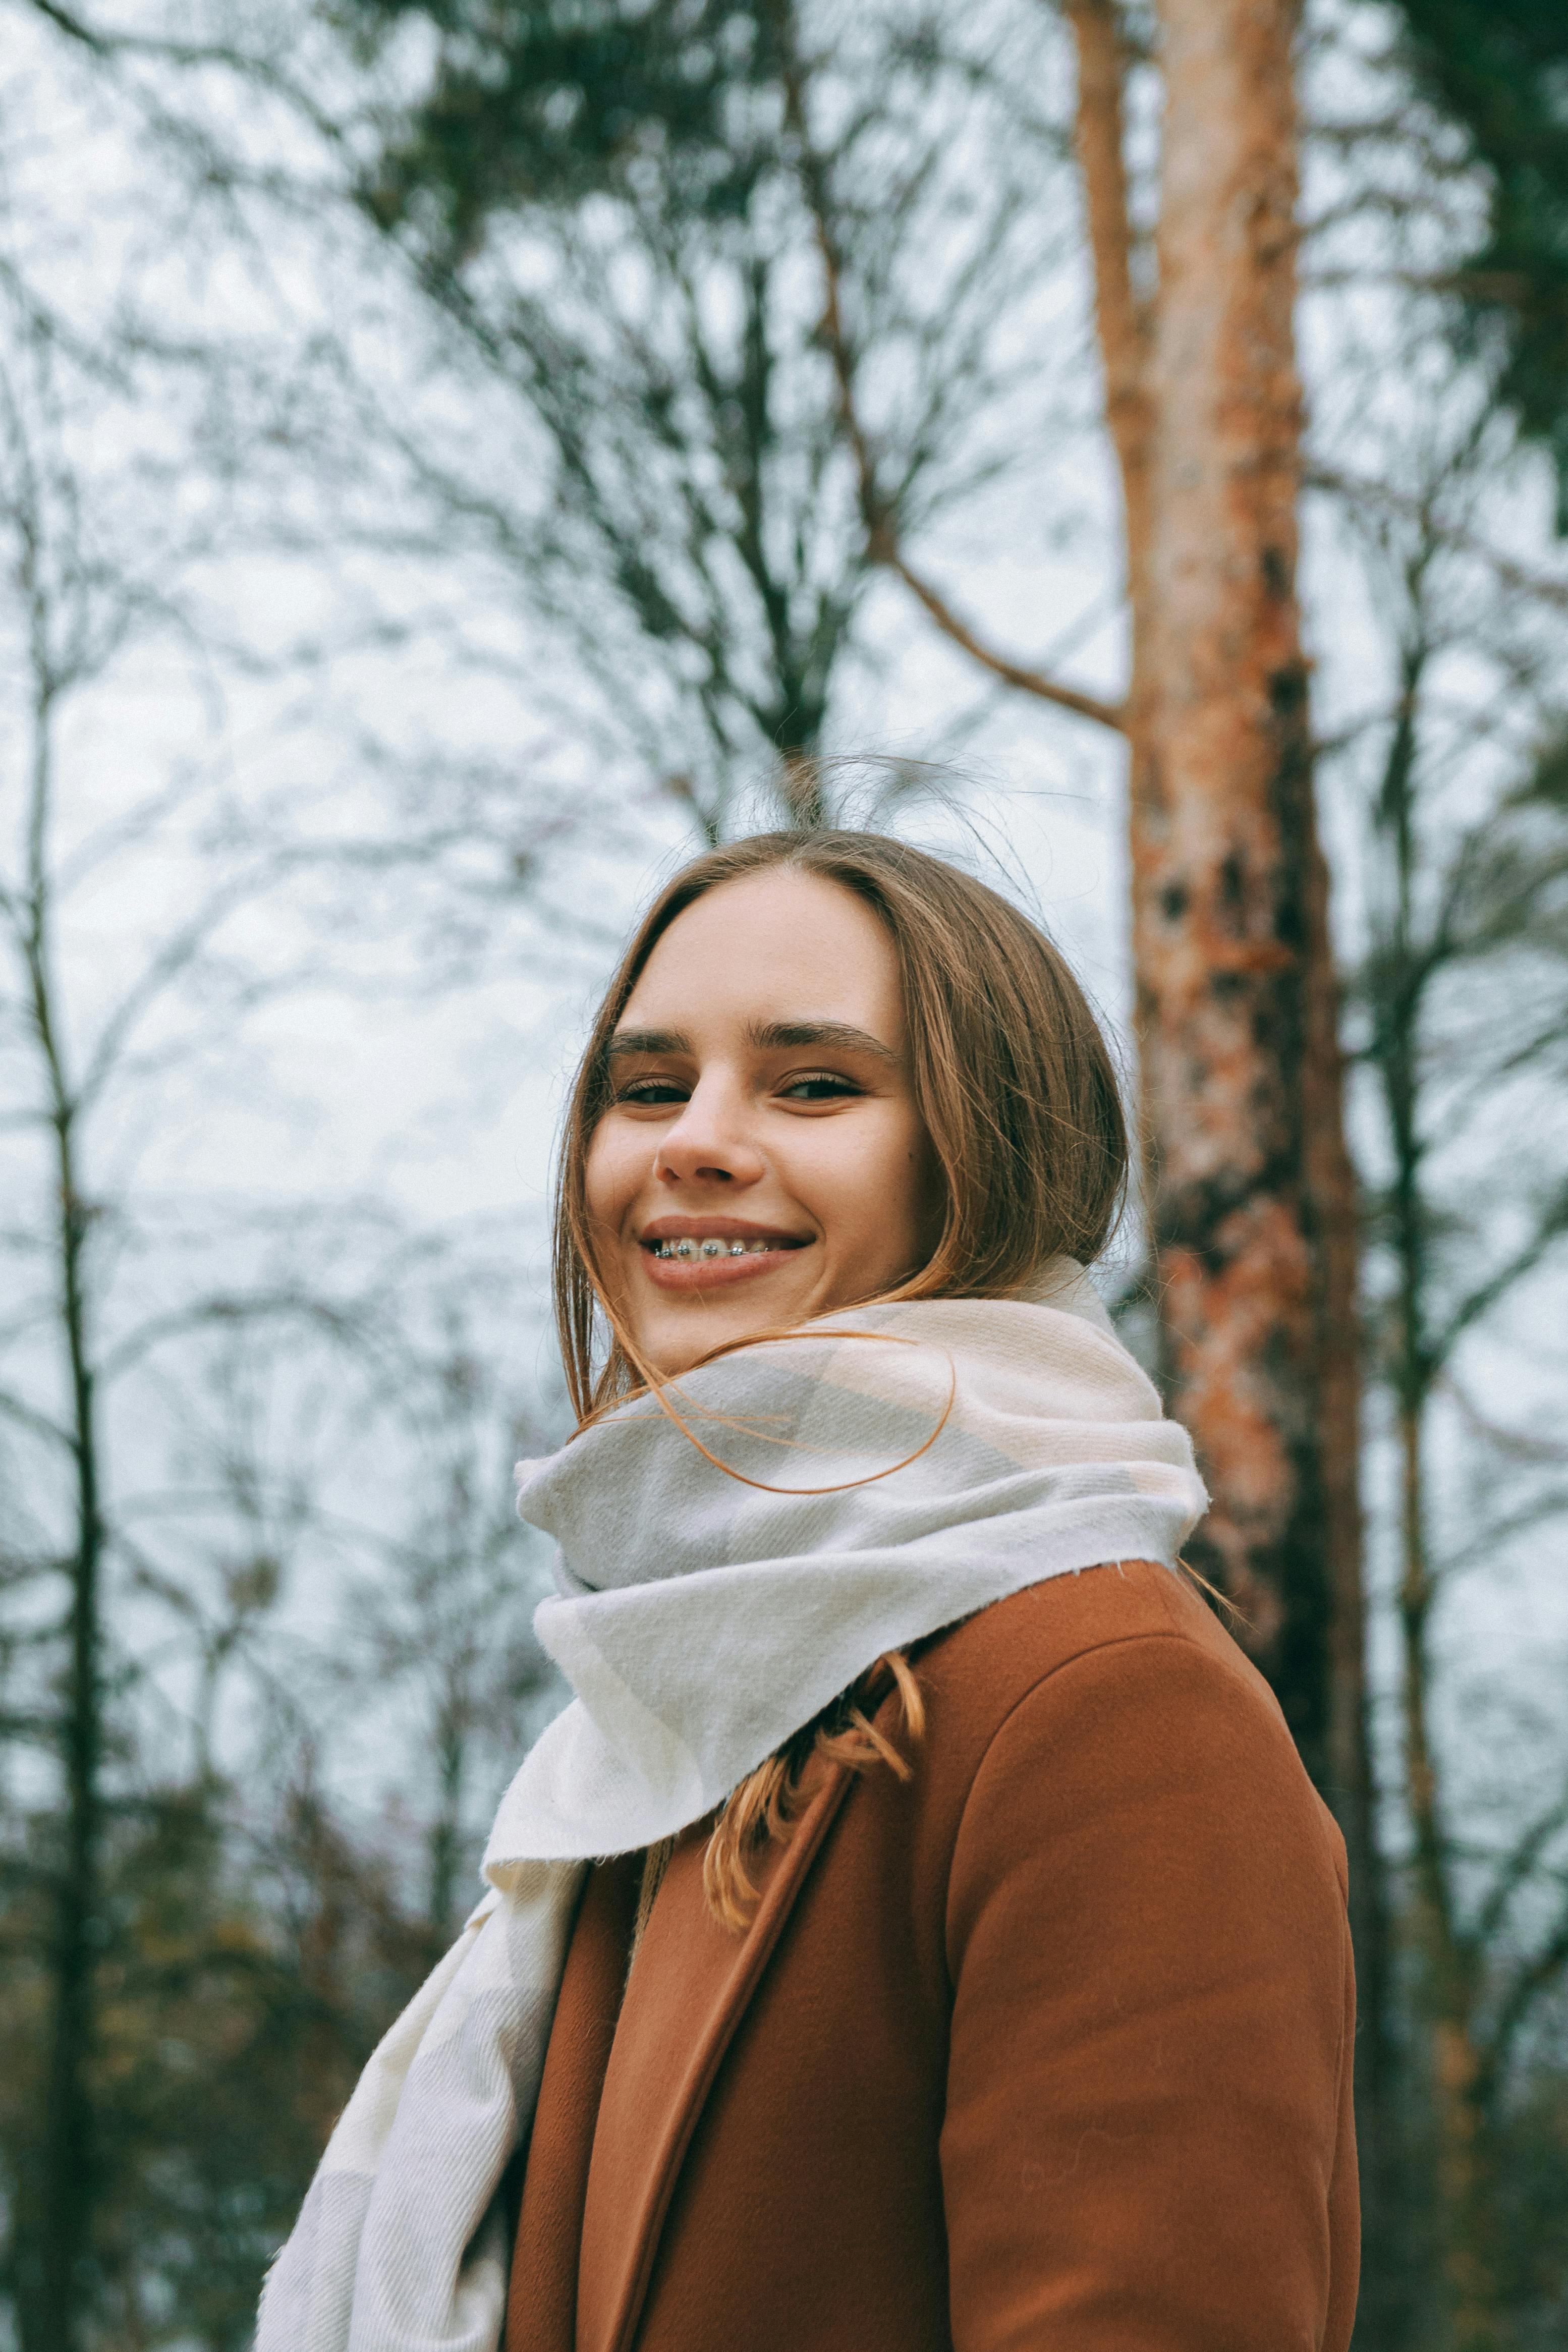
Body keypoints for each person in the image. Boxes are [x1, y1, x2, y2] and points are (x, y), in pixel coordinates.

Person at [259, 830, 1359, 2352]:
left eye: (814, 1085)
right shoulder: (649, 1739)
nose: (692, 1143)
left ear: (985, 1154)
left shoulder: (1107, 1708)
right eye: (648, 1088)